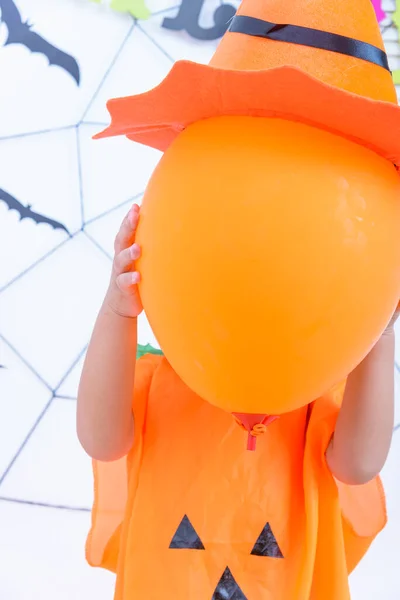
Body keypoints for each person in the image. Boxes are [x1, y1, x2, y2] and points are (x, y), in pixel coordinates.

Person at [77, 204, 398, 600]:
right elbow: (100, 438)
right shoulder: (158, 378)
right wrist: (118, 308)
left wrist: (379, 329)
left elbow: (359, 464)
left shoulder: (313, 390)